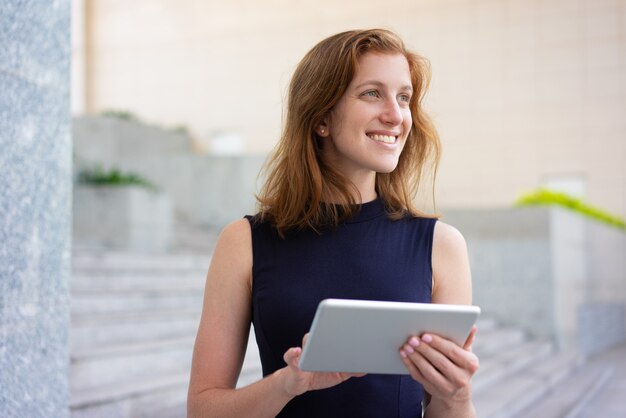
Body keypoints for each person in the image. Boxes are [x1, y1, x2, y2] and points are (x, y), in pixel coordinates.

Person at [188, 28, 479, 417]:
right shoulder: (244, 241)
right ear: (322, 117)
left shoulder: (441, 245)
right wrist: (288, 384)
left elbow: (444, 409)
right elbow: (202, 410)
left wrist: (456, 397)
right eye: (372, 93)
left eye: (404, 97)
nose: (396, 115)